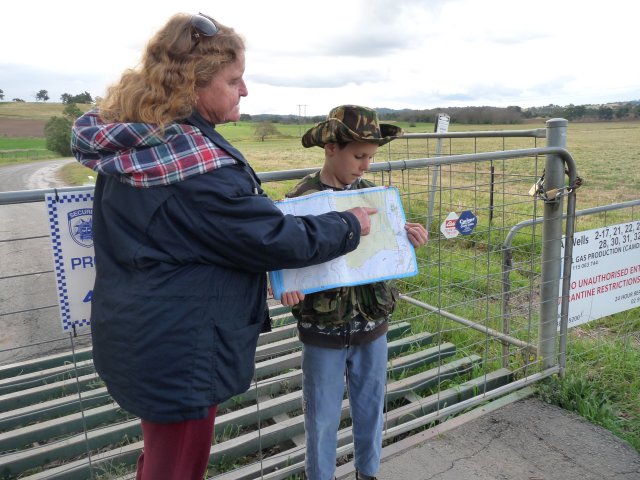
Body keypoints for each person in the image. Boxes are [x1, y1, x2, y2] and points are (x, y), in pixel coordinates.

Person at [70, 14, 377, 480]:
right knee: (177, 466)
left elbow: (219, 226)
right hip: (181, 345)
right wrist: (348, 224)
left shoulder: (145, 147)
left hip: (149, 330)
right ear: (194, 86)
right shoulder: (195, 168)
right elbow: (271, 240)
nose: (245, 90)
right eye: (234, 79)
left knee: (163, 456)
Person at [284, 105, 428, 480]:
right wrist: (284, 283)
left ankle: (369, 473)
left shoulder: (375, 197)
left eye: (371, 157)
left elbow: (384, 254)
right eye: (359, 155)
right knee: (321, 416)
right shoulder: (301, 199)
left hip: (372, 326)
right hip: (322, 330)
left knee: (370, 407)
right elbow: (287, 253)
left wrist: (407, 239)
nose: (366, 165)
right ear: (331, 147)